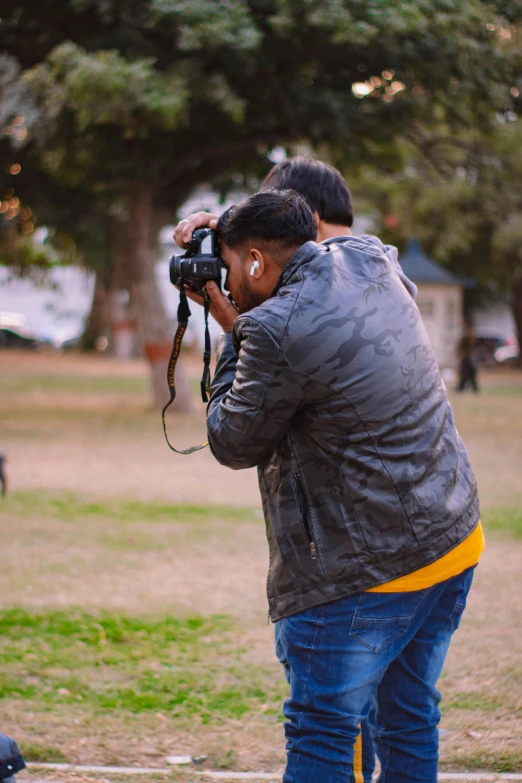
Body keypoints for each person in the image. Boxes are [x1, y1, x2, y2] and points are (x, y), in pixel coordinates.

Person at [174, 185, 484, 783]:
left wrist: (232, 330)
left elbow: (231, 440)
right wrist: (236, 230)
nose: (226, 279)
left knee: (322, 731)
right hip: (450, 540)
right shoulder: (371, 257)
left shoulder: (272, 330)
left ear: (259, 262)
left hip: (365, 576)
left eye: (231, 265)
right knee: (408, 715)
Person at [456, 320, 479, 393]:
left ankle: (463, 387)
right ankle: (464, 387)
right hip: (469, 355)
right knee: (468, 373)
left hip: (467, 355)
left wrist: (461, 352)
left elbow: (464, 345)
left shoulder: (468, 334)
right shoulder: (470, 333)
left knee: (466, 372)